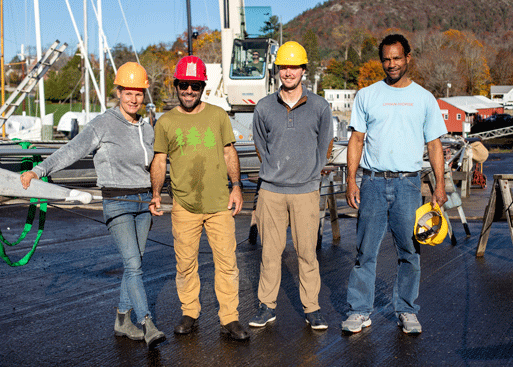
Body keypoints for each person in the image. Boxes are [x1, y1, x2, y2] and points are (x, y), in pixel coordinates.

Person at [20, 62, 166, 348]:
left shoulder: (148, 128)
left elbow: (156, 166)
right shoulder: (102, 123)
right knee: (134, 265)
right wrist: (39, 170)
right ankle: (147, 322)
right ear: (118, 91)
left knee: (133, 264)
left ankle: (122, 320)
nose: (134, 99)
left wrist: (157, 195)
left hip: (143, 202)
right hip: (117, 202)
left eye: (139, 94)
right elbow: (72, 150)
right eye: (128, 93)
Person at [341, 34, 448, 335]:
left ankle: (407, 310)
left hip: (408, 185)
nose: (391, 64)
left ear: (408, 58)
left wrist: (440, 185)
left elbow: (435, 144)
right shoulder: (367, 95)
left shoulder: (424, 98)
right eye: (386, 59)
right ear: (381, 61)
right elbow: (356, 140)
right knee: (365, 252)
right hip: (372, 183)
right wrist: (351, 180)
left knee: (409, 251)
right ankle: (359, 311)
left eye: (397, 58)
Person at [149, 55, 249, 341]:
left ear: (202, 85)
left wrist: (237, 186)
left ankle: (229, 318)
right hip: (184, 205)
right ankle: (190, 312)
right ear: (176, 85)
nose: (189, 91)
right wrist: (156, 195)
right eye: (184, 85)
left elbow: (230, 152)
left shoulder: (218, 115)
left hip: (219, 203)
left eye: (194, 85)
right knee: (186, 263)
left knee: (227, 263)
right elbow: (159, 160)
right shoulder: (166, 121)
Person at [249, 41, 333, 330]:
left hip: (306, 191)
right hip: (271, 191)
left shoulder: (320, 107)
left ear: (303, 70)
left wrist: (312, 172)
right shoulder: (263, 107)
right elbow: (261, 145)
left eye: (294, 66)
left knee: (307, 253)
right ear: (277, 70)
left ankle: (312, 308)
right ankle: (266, 306)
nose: (288, 72)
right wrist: (274, 170)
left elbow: (326, 143)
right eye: (284, 66)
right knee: (270, 253)